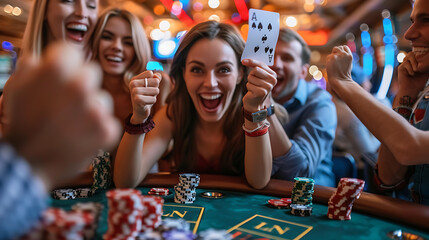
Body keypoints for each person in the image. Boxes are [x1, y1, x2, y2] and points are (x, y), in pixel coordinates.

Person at [113, 21, 277, 189]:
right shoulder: (175, 112)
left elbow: (259, 181)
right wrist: (138, 118)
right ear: (183, 73)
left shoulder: (255, 110)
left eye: (224, 70)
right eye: (197, 70)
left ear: (240, 74)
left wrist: (253, 111)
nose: (210, 83)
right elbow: (125, 182)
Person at [0, 43, 121, 239]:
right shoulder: (17, 84)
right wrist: (31, 160)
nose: (82, 12)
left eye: (91, 8)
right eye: (108, 37)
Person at [326, 0, 429, 204]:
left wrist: (344, 83)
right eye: (412, 21)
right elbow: (389, 176)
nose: (409, 34)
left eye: (426, 20)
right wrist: (407, 93)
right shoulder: (423, 94)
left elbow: (409, 149)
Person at [0, 0, 100, 132]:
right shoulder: (20, 87)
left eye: (91, 5)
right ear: (44, 11)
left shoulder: (103, 81)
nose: (82, 13)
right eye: (68, 1)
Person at [90, 8, 161, 172]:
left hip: (143, 188)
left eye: (128, 42)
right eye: (107, 37)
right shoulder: (80, 92)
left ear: (138, 48)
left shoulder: (155, 87)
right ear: (94, 41)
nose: (117, 47)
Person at [267, 28, 337, 187]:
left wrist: (265, 107)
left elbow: (300, 173)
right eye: (269, 55)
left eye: (286, 58)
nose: (275, 64)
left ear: (303, 71)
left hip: (314, 197)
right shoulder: (246, 97)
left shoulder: (320, 103)